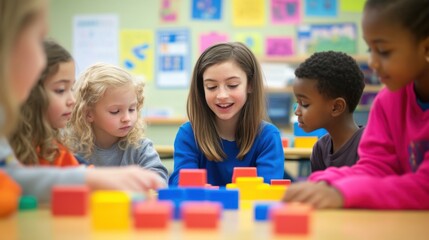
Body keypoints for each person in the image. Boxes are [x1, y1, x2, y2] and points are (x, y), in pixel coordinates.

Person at [0, 0, 165, 205]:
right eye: (61, 90)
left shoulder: (55, 146)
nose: (72, 100)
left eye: (132, 109)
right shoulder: (67, 143)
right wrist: (92, 180)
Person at [283, 0, 429, 209]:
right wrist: (324, 183)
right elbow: (375, 166)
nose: (372, 62)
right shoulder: (387, 101)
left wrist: (343, 192)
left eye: (384, 51)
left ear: (426, 47)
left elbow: (425, 188)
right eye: (371, 49)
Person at [168, 42, 285, 186]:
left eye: (232, 85)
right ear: (201, 89)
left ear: (250, 85)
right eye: (211, 87)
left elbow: (268, 191)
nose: (222, 95)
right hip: (202, 209)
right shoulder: (188, 134)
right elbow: (181, 184)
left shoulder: (267, 136)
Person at [65, 63, 168, 183]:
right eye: (115, 111)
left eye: (132, 109)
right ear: (89, 114)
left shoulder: (140, 147)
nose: (127, 118)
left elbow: (159, 181)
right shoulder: (70, 147)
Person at [9, 39, 79, 167]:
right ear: (30, 93)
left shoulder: (55, 151)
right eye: (60, 90)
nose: (72, 100)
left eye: (72, 88)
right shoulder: (6, 149)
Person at [292, 51, 365, 173]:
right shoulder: (320, 149)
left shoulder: (367, 146)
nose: (297, 112)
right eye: (297, 103)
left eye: (304, 104)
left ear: (336, 107)